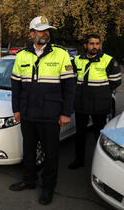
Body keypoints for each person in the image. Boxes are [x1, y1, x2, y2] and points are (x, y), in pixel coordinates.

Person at [9, 16, 75, 205]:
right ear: (32, 34)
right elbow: (16, 86)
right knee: (28, 150)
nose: (45, 33)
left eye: (47, 30)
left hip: (50, 114)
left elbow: (69, 88)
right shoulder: (21, 55)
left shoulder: (61, 54)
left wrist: (65, 112)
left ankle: (48, 188)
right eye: (41, 30)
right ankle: (29, 181)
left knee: (51, 154)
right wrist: (17, 109)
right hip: (28, 113)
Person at [68, 34, 122, 169]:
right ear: (85, 45)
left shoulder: (108, 60)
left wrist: (101, 92)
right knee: (79, 135)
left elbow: (115, 81)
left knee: (99, 135)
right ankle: (79, 160)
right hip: (81, 104)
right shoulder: (77, 60)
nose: (95, 46)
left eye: (97, 44)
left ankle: (100, 164)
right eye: (92, 44)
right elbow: (72, 79)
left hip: (100, 104)